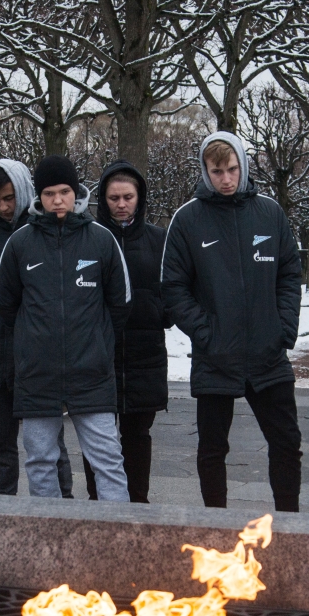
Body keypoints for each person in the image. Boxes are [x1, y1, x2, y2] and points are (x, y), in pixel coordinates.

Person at [160, 132, 303, 512]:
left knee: (287, 442)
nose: (226, 178)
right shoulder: (188, 219)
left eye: (233, 169)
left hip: (268, 354)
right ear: (205, 172)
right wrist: (206, 333)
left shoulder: (270, 212)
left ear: (244, 165)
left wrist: (283, 327)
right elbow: (174, 287)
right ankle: (216, 524)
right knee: (212, 448)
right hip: (215, 356)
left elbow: (290, 273)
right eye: (217, 171)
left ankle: (290, 524)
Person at [0, 155, 132, 500]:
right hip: (38, 376)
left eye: (65, 191)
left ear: (77, 193)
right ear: (38, 196)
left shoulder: (100, 240)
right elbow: (5, 303)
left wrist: (95, 342)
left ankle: (119, 541)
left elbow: (121, 303)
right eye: (50, 193)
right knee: (40, 462)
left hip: (92, 375)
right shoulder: (20, 243)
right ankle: (51, 542)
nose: (58, 200)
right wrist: (35, 340)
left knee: (108, 462)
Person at [0, 159, 73, 496]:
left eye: (9, 197)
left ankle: (63, 508)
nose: (3, 206)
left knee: (48, 447)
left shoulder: (47, 230)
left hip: (38, 362)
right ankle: (3, 509)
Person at [87, 160, 168, 502]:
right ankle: (98, 502)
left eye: (128, 197)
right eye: (114, 197)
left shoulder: (158, 240)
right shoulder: (89, 238)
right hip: (98, 353)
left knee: (137, 434)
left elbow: (174, 287)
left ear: (140, 198)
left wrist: (156, 311)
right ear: (103, 200)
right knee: (97, 437)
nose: (121, 204)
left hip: (144, 354)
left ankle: (138, 502)